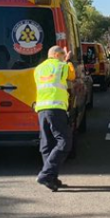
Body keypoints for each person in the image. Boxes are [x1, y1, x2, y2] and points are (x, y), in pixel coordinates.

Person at [34, 45, 77, 192]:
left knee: (47, 143)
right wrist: (68, 60)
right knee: (65, 141)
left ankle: (51, 178)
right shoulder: (62, 66)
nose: (64, 57)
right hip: (56, 108)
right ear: (58, 55)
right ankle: (46, 174)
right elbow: (72, 76)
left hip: (41, 109)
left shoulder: (38, 68)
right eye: (62, 54)